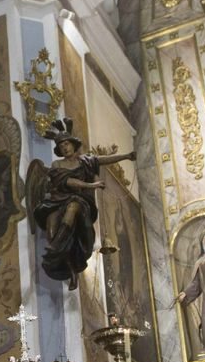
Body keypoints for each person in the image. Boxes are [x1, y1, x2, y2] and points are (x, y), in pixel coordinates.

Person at [28, 121, 136, 288]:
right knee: (51, 231)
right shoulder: (57, 165)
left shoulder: (86, 161)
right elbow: (68, 181)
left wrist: (126, 156)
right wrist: (91, 185)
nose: (64, 148)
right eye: (61, 146)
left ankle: (58, 248)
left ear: (73, 145)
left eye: (66, 144)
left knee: (74, 206)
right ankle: (68, 266)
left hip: (80, 202)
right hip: (57, 201)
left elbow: (104, 160)